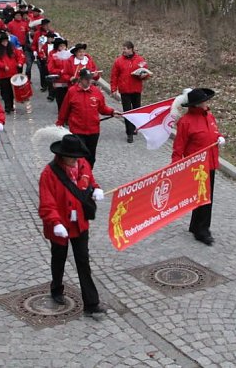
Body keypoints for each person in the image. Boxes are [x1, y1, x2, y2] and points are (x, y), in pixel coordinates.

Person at [38, 134, 107, 318]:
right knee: (58, 258)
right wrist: (55, 222)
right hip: (60, 225)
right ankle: (56, 288)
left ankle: (91, 303)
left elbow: (90, 181)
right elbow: (47, 204)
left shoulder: (82, 164)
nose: (75, 161)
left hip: (79, 223)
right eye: (72, 158)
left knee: (83, 261)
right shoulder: (48, 173)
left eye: (77, 157)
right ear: (62, 156)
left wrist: (96, 188)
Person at [171, 88, 225, 246]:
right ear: (196, 105)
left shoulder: (209, 116)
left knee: (206, 197)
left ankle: (195, 225)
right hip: (196, 167)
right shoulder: (186, 122)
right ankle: (202, 230)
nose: (207, 103)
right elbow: (178, 148)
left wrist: (219, 137)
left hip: (210, 163)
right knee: (204, 198)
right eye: (204, 101)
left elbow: (213, 133)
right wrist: (175, 168)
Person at [56, 69, 121, 168]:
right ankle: (79, 176)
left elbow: (102, 108)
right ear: (80, 79)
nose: (89, 81)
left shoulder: (96, 92)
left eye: (90, 79)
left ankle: (88, 175)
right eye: (86, 79)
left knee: (91, 157)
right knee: (80, 156)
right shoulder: (72, 91)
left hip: (93, 130)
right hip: (77, 130)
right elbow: (64, 109)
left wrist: (112, 112)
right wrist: (59, 123)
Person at [110, 41, 151, 143]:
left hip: (136, 89)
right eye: (123, 49)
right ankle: (129, 133)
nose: (123, 50)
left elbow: (145, 72)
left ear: (131, 49)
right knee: (127, 112)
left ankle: (134, 127)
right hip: (125, 90)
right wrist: (113, 88)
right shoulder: (118, 61)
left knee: (137, 110)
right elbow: (114, 76)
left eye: (125, 49)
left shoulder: (140, 60)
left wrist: (143, 76)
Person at [0, 32, 23, 113]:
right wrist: (3, 66)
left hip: (13, 73)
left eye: (6, 41)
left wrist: (20, 63)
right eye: (3, 41)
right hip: (3, 75)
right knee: (5, 91)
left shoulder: (12, 48)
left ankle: (11, 106)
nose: (5, 43)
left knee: (12, 91)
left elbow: (19, 55)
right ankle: (7, 106)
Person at [47, 37, 73, 110]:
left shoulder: (69, 55)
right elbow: (50, 69)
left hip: (68, 80)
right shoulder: (54, 55)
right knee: (60, 99)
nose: (63, 47)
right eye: (61, 46)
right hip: (59, 81)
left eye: (64, 46)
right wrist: (60, 71)